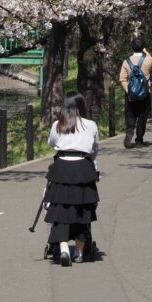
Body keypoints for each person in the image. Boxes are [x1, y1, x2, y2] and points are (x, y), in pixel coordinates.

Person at [44, 93, 100, 265]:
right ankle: (80, 253)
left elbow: (52, 143)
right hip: (83, 168)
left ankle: (63, 248)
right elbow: (94, 148)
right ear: (82, 106)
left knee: (61, 209)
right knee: (82, 211)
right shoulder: (90, 125)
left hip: (62, 167)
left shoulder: (58, 124)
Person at [118, 39, 152, 148]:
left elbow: (122, 79)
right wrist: (147, 52)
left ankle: (129, 132)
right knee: (142, 116)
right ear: (142, 47)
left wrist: (129, 91)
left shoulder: (126, 61)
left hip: (131, 94)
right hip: (145, 92)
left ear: (132, 47)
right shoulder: (148, 60)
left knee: (130, 114)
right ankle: (139, 139)